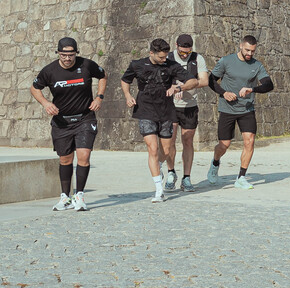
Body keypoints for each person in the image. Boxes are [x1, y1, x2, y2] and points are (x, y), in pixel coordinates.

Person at [30, 37, 106, 211]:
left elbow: (103, 76)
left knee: (84, 156)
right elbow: (34, 88)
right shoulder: (49, 71)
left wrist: (99, 97)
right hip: (62, 121)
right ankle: (65, 197)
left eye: (71, 55)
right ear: (58, 53)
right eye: (63, 55)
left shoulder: (87, 65)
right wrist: (46, 103)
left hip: (85, 118)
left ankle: (79, 195)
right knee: (65, 159)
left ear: (76, 53)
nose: (67, 58)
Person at [120, 39, 188, 202]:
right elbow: (125, 80)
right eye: (161, 57)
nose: (164, 60)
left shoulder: (171, 65)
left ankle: (158, 166)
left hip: (166, 111)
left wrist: (178, 87)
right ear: (151, 53)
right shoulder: (137, 64)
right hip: (145, 110)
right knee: (152, 148)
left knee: (166, 150)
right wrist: (128, 96)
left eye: (166, 57)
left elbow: (193, 80)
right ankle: (159, 190)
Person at [206, 35, 274, 190]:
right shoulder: (226, 61)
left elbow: (269, 85)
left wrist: (252, 89)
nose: (250, 53)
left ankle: (241, 177)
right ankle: (215, 163)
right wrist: (224, 93)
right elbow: (211, 80)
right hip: (227, 109)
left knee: (249, 141)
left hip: (246, 109)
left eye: (253, 51)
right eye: (247, 50)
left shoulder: (257, 65)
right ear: (241, 46)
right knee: (224, 145)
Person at [165, 34, 209, 191]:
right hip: (170, 106)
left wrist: (182, 87)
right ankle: (171, 173)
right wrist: (171, 87)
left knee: (188, 140)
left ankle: (187, 177)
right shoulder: (168, 58)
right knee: (169, 141)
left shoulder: (197, 59)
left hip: (189, 106)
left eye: (188, 52)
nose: (185, 55)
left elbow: (204, 81)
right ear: (176, 45)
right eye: (182, 52)